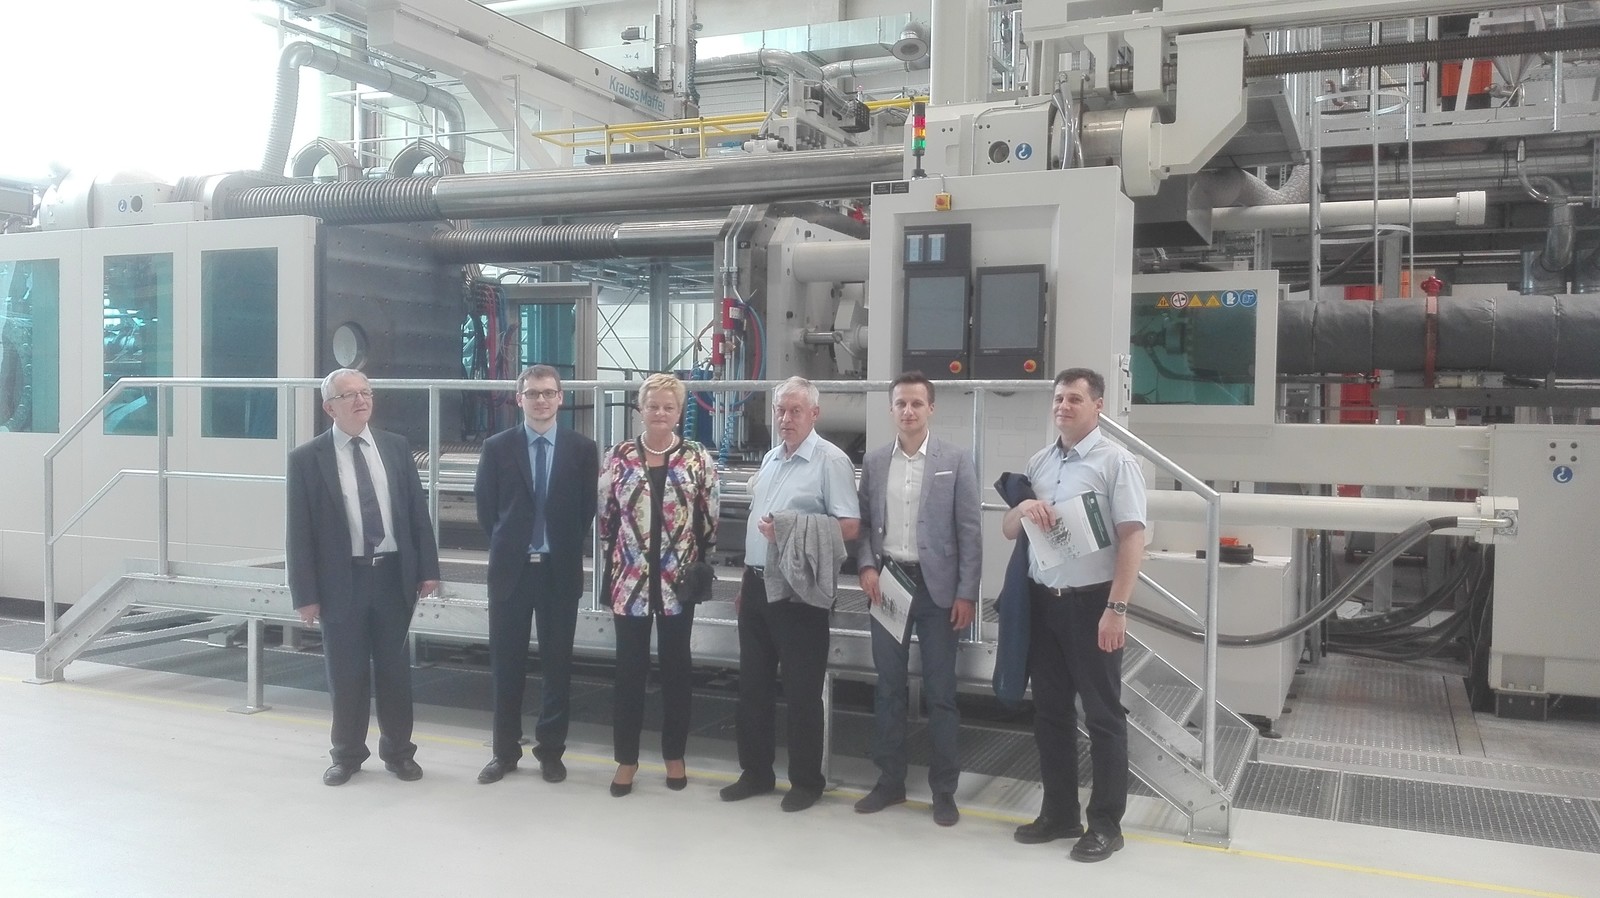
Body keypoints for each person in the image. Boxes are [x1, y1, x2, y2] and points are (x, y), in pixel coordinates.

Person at [1001, 367, 1148, 863]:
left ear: (1098, 406)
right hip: (1044, 603)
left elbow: (1132, 537)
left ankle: (1106, 824)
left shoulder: (1116, 462)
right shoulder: (1040, 463)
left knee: (1103, 716)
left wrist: (1116, 609)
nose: (1063, 406)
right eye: (1059, 398)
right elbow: (1008, 529)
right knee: (1050, 712)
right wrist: (1024, 508)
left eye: (1075, 399)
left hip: (1092, 604)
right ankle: (1060, 813)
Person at [286, 368, 441, 786]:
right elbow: (298, 532)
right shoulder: (307, 459)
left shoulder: (395, 447)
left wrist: (428, 569)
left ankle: (399, 753)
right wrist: (305, 594)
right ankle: (347, 755)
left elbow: (416, 512)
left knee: (395, 671)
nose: (361, 400)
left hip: (392, 577)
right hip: (342, 581)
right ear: (329, 407)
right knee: (346, 673)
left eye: (366, 392)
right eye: (349, 395)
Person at [720, 376, 860, 812]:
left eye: (795, 410)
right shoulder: (771, 458)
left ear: (814, 414)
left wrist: (790, 529)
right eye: (780, 410)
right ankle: (756, 773)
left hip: (800, 590)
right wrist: (747, 580)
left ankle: (806, 782)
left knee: (802, 692)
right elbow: (757, 524)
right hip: (758, 583)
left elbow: (850, 526)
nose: (785, 418)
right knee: (752, 686)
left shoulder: (830, 461)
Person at [852, 371, 982, 827]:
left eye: (916, 404)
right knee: (888, 688)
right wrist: (866, 566)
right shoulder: (874, 461)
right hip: (889, 582)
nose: (908, 411)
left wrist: (966, 593)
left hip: (938, 589)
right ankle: (890, 782)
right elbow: (862, 524)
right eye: (901, 404)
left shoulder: (956, 460)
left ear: (931, 408)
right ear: (891, 409)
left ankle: (944, 791)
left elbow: (970, 531)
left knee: (941, 693)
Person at [474, 364, 599, 785]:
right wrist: (514, 544)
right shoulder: (497, 447)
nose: (541, 400)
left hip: (558, 571)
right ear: (519, 399)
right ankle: (504, 752)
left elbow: (585, 510)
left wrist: (556, 546)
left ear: (561, 398)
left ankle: (551, 752)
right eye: (532, 393)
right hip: (511, 572)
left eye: (548, 393)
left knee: (557, 666)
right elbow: (486, 510)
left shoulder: (582, 449)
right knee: (505, 665)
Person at [597, 373, 719, 796]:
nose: (660, 413)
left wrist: (695, 560)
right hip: (629, 580)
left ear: (679, 412)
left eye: (669, 406)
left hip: (678, 582)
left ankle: (674, 755)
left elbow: (709, 516)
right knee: (628, 671)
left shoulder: (697, 457)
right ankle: (626, 760)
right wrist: (624, 556)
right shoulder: (619, 456)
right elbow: (606, 516)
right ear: (640, 409)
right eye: (653, 406)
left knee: (676, 669)